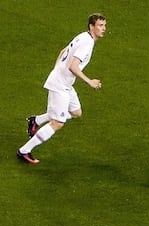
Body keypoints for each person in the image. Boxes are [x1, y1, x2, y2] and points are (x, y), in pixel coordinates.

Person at [18, 13, 107, 165]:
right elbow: (73, 66)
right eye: (100, 25)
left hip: (64, 83)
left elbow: (62, 51)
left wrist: (57, 70)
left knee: (75, 112)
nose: (103, 29)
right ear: (91, 27)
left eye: (104, 25)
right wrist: (89, 81)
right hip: (60, 85)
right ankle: (24, 151)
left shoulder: (83, 36)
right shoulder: (87, 43)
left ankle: (35, 120)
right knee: (58, 122)